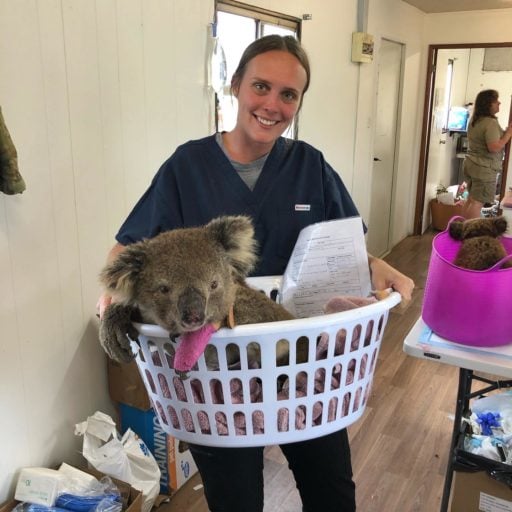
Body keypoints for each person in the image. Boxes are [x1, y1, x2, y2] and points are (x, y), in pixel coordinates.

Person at [98, 35, 414, 512]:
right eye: (261, 87)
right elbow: (127, 253)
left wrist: (378, 265)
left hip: (298, 356)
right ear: (235, 86)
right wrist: (111, 308)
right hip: (213, 371)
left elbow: (344, 247)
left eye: (288, 94)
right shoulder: (187, 165)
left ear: (299, 102)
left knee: (331, 488)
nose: (272, 104)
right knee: (235, 499)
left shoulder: (310, 165)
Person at [462, 89, 512, 219]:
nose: (499, 103)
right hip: (483, 168)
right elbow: (494, 147)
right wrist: (508, 134)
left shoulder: (475, 120)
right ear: (488, 104)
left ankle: (463, 230)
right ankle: (471, 233)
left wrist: (504, 135)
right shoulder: (490, 123)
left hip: (471, 164)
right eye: (496, 101)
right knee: (477, 203)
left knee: (471, 201)